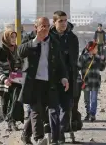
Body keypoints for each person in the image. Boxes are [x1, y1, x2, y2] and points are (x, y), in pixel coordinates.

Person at [18, 17, 69, 145]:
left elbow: (60, 62)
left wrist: (64, 78)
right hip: (34, 82)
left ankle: (31, 135)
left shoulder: (54, 41)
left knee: (52, 109)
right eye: (42, 26)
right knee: (36, 110)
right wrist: (36, 41)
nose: (45, 28)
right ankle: (39, 138)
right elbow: (20, 52)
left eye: (47, 25)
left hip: (49, 81)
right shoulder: (30, 38)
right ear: (36, 27)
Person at [49, 11, 80, 143]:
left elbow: (74, 59)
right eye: (60, 21)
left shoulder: (72, 38)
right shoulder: (48, 37)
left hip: (68, 79)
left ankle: (60, 132)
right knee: (53, 109)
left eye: (65, 20)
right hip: (51, 78)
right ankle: (55, 135)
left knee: (67, 108)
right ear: (54, 22)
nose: (63, 23)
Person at [0, 30, 24, 131]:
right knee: (5, 104)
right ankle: (8, 121)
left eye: (15, 37)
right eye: (11, 37)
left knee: (15, 101)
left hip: (16, 80)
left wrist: (20, 72)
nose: (14, 39)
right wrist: (5, 79)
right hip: (5, 82)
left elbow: (21, 64)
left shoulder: (18, 49)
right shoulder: (1, 50)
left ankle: (13, 121)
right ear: (6, 38)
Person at [78, 41, 106, 122]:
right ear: (91, 48)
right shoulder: (83, 57)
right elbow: (78, 67)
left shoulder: (98, 57)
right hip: (86, 82)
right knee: (87, 99)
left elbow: (102, 68)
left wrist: (103, 60)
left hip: (95, 82)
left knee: (94, 99)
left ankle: (92, 114)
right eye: (96, 48)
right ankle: (88, 113)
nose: (97, 49)